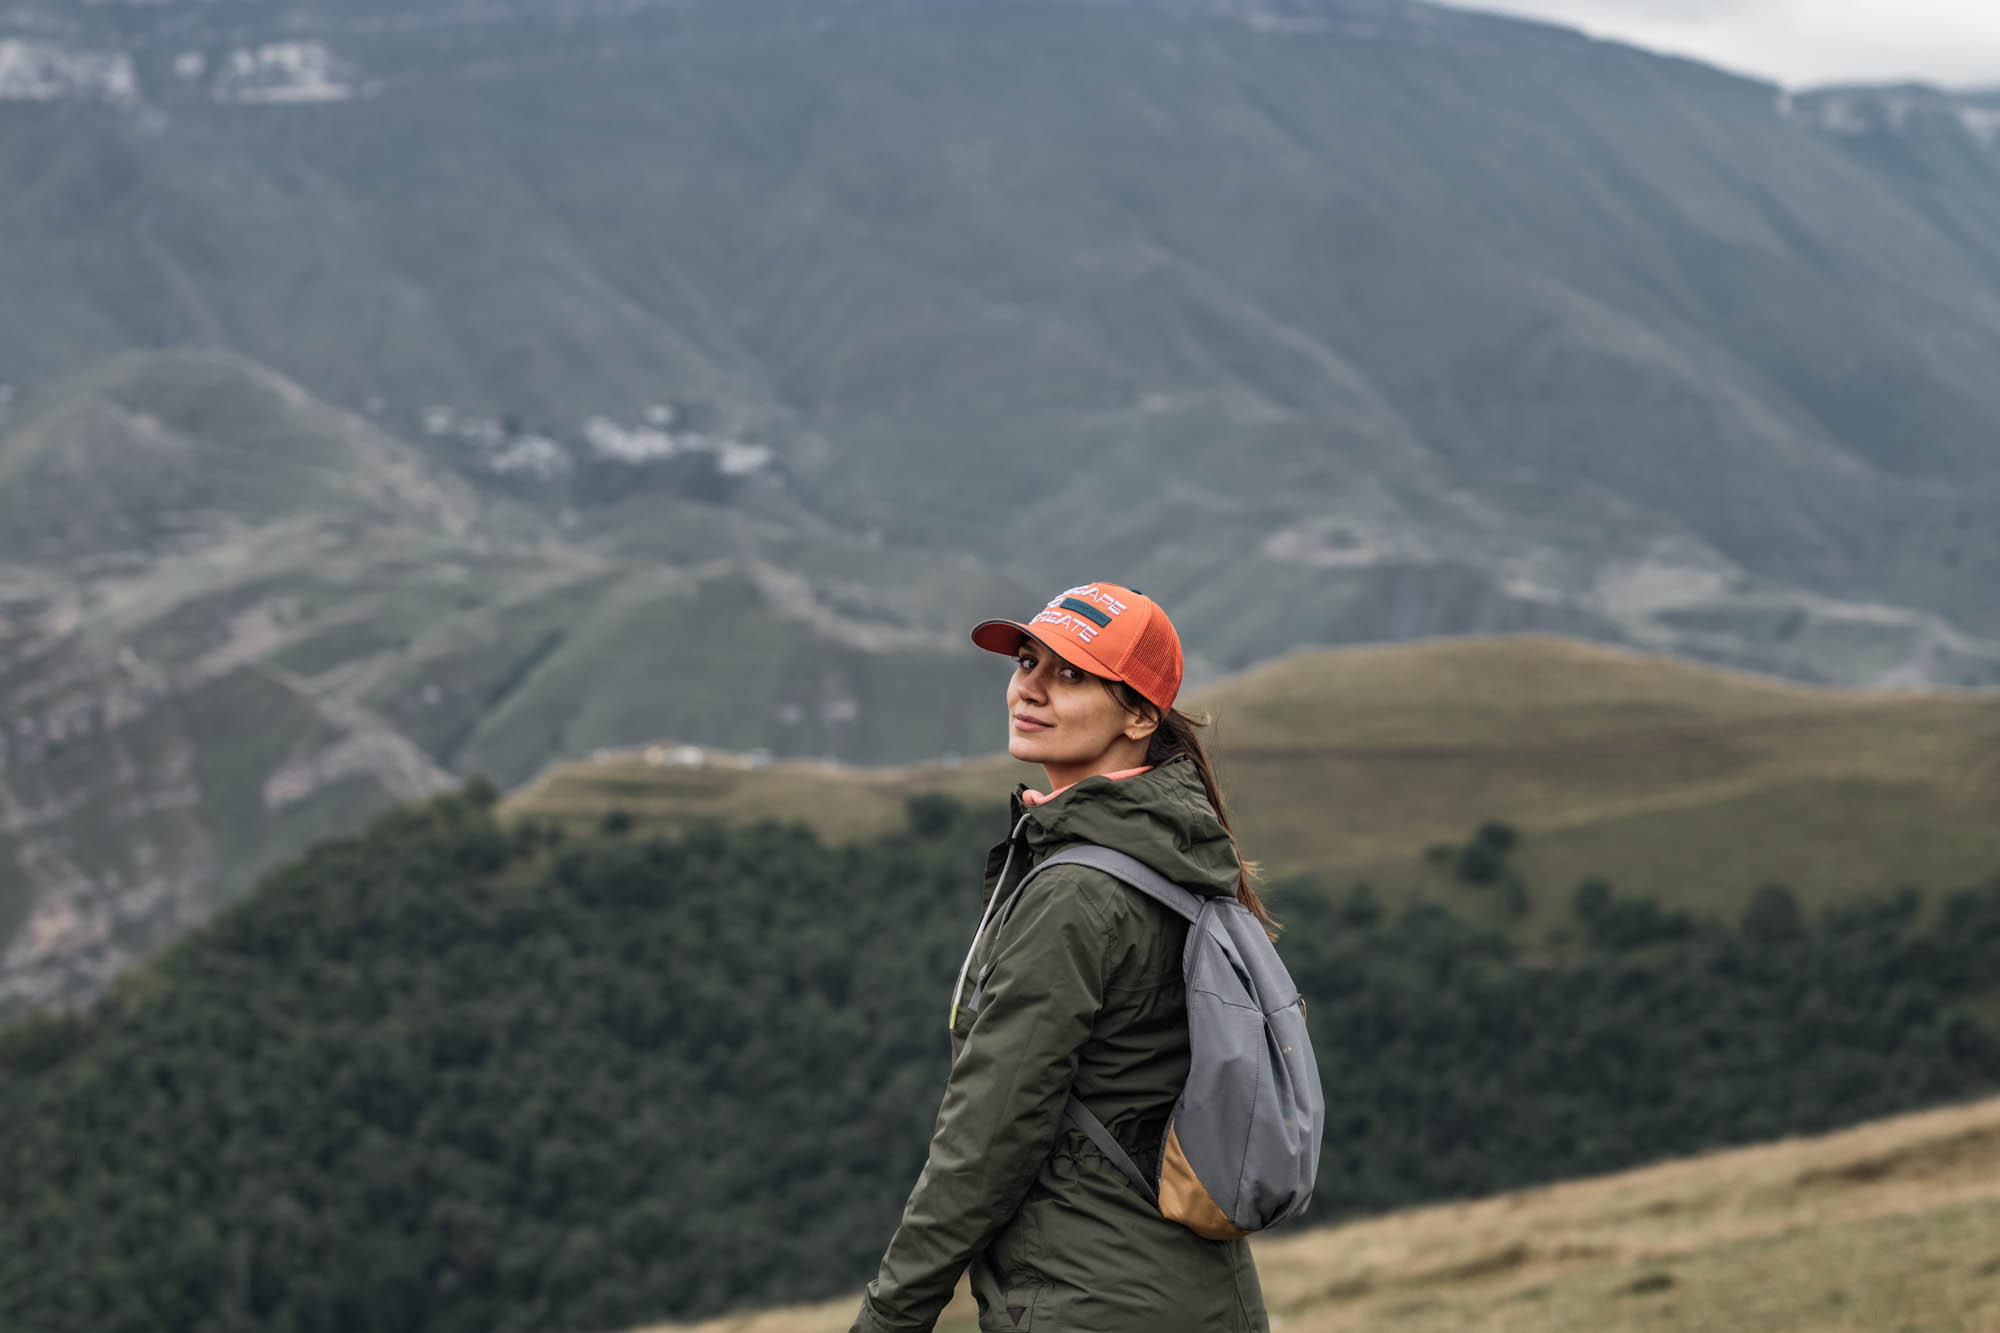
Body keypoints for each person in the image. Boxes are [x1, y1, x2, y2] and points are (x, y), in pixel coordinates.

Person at [849, 581, 1273, 1333]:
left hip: (1092, 1302)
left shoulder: (1079, 890)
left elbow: (987, 1136)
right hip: (1199, 1296)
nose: (1030, 688)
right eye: (1025, 662)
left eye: (1071, 673)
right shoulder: (1174, 850)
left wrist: (890, 1314)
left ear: (1141, 715)